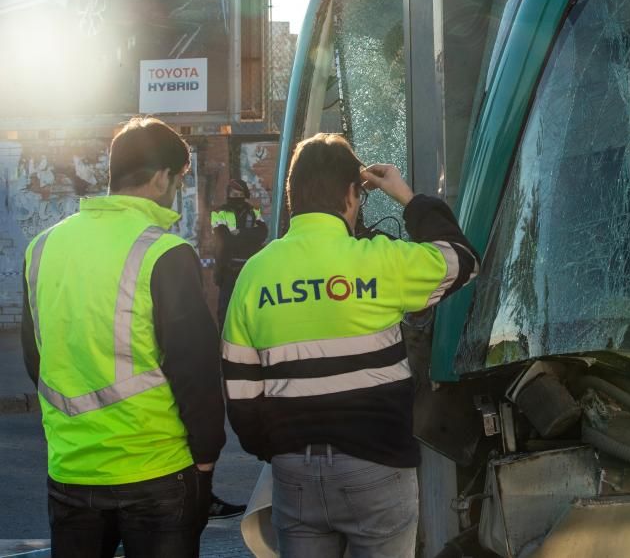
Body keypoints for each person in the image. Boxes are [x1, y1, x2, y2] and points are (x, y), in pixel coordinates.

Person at [222, 133, 479, 557]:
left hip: (293, 472)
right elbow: (461, 260)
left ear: (292, 196)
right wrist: (407, 197)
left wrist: (280, 452)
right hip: (377, 467)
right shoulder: (380, 260)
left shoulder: (255, 273)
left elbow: (241, 393)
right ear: (351, 195)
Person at [20, 117, 225, 557]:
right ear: (160, 178)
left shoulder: (41, 248)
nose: (176, 192)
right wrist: (206, 460)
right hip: (157, 473)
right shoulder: (164, 252)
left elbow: (36, 358)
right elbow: (197, 371)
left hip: (71, 470)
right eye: (178, 181)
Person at [211, 179, 268, 325]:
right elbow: (224, 240)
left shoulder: (254, 212)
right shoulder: (219, 213)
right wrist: (249, 237)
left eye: (239, 193)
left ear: (245, 194)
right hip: (228, 272)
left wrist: (239, 232)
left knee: (253, 311)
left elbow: (262, 233)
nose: (236, 196)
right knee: (226, 313)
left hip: (251, 270)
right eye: (233, 193)